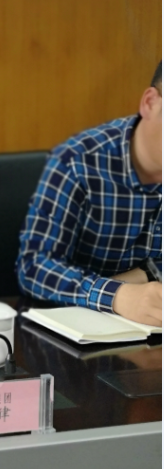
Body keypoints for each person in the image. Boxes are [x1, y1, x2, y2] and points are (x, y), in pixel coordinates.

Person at [17, 62, 162, 327]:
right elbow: (34, 267)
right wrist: (117, 296)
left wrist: (146, 275)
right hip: (72, 331)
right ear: (150, 103)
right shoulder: (78, 161)